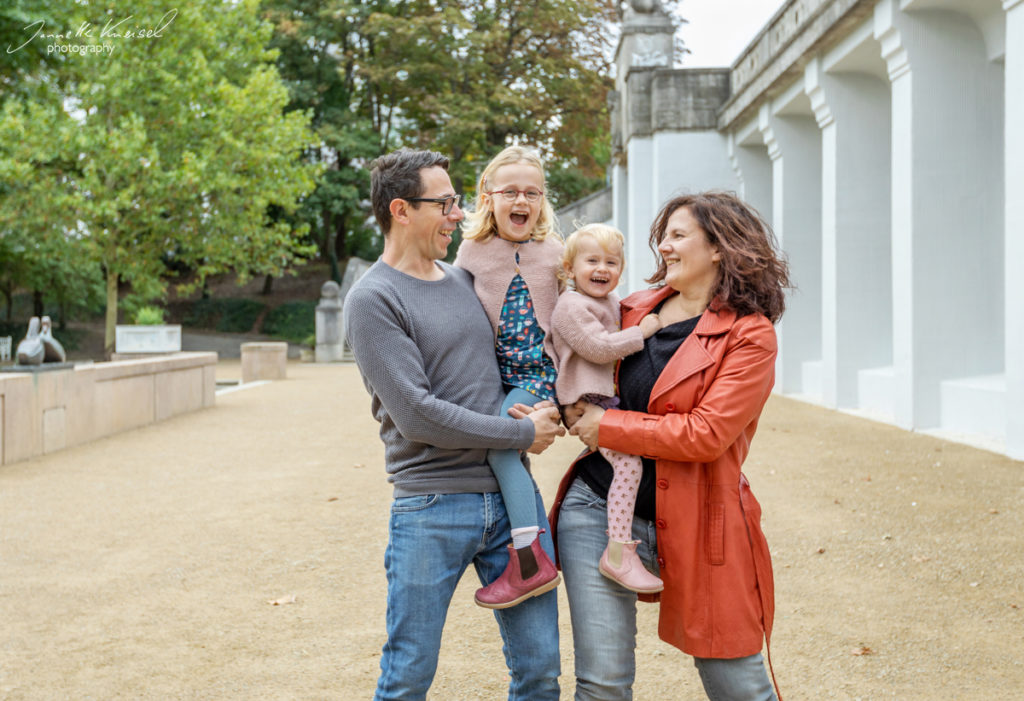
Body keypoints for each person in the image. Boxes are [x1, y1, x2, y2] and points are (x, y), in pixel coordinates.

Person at [545, 191, 790, 700]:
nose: (664, 246)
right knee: (602, 685)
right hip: (595, 510)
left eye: (678, 235)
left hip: (704, 521)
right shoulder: (629, 310)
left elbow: (706, 434)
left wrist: (605, 426)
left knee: (739, 686)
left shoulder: (751, 335)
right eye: (664, 236)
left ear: (719, 247)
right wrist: (547, 407)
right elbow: (565, 357)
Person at [343, 148, 565, 701]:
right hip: (431, 506)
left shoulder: (465, 278)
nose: (456, 214)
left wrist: (544, 403)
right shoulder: (373, 299)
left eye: (456, 201)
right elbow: (416, 414)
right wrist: (520, 434)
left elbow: (520, 353)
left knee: (540, 670)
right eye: (444, 203)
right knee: (408, 674)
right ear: (401, 210)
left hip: (513, 498)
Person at [452, 145, 565, 609]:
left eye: (532, 193)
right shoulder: (471, 252)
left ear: (542, 201)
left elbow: (581, 314)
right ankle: (533, 550)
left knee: (502, 445)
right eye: (511, 192)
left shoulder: (556, 252)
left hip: (539, 376)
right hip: (495, 379)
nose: (522, 201)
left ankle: (528, 558)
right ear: (488, 196)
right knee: (508, 452)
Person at [549, 224, 664, 593]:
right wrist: (642, 333)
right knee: (629, 464)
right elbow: (597, 348)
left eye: (611, 262)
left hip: (603, 398)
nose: (602, 268)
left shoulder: (610, 303)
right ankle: (618, 551)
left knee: (630, 462)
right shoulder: (570, 305)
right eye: (592, 261)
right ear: (570, 269)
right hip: (585, 400)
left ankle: (620, 544)